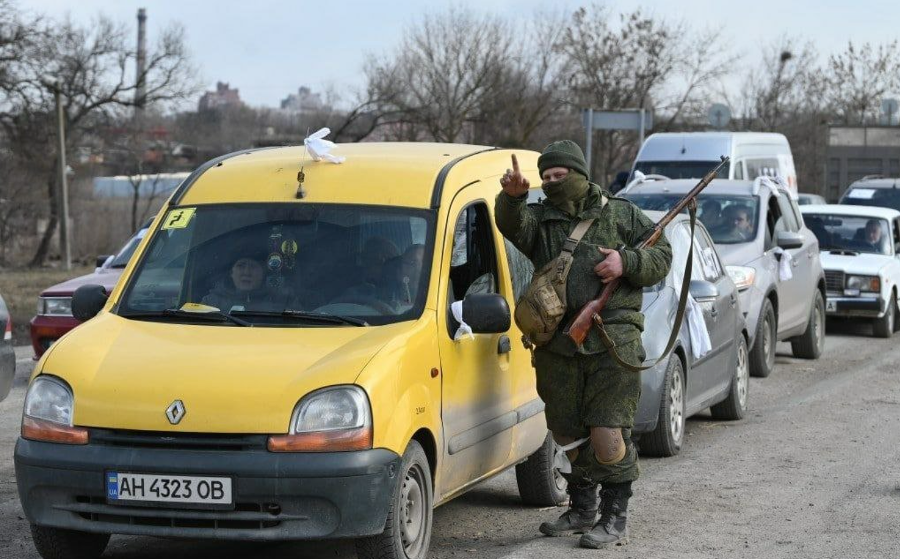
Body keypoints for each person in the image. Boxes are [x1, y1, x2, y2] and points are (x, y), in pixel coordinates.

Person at [495, 142, 672, 549]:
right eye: (548, 178)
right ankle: (582, 508)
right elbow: (511, 224)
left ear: (581, 173)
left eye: (562, 176)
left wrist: (626, 263)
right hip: (559, 345)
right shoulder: (540, 221)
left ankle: (614, 518)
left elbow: (662, 255)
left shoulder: (621, 213)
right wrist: (513, 197)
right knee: (567, 431)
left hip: (614, 340)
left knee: (608, 434)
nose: (555, 183)